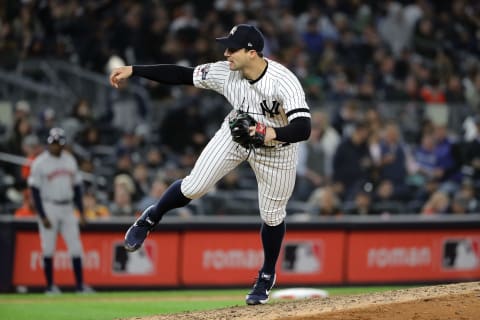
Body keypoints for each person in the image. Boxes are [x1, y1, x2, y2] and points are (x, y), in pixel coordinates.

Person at [109, 24, 311, 305]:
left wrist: (271, 133)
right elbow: (181, 75)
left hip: (277, 151)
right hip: (236, 133)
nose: (226, 52)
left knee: (273, 215)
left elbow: (303, 128)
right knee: (194, 185)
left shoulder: (282, 80)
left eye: (232, 48)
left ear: (252, 52)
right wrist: (135, 69)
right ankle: (150, 217)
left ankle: (266, 274)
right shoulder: (225, 72)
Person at [28, 127, 94, 294]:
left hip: (67, 207)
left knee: (76, 248)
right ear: (48, 143)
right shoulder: (40, 162)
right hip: (49, 206)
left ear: (63, 145)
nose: (55, 146)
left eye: (58, 143)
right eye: (53, 143)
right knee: (48, 248)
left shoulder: (69, 160)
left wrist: (82, 212)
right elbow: (34, 190)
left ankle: (79, 286)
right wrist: (42, 215)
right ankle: (50, 286)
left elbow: (78, 187)